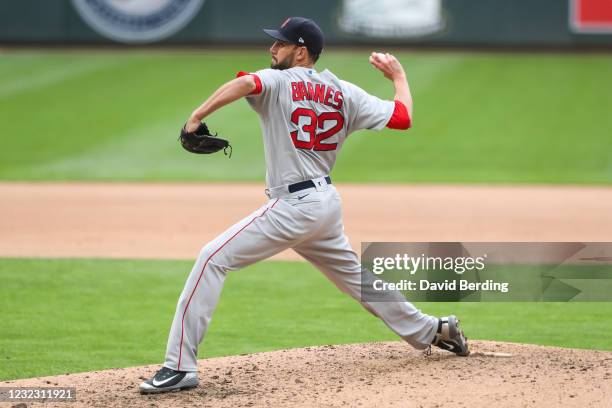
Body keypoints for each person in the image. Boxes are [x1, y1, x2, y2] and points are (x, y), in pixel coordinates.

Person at [139, 17, 469, 394]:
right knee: (358, 280)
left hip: (294, 205)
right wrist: (398, 78)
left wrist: (196, 117)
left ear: (301, 51)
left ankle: (179, 366)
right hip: (325, 205)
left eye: (279, 44)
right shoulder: (345, 91)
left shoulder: (278, 80)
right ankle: (433, 329)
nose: (271, 49)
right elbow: (402, 117)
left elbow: (248, 82)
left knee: (211, 258)